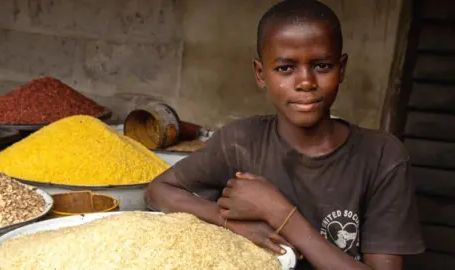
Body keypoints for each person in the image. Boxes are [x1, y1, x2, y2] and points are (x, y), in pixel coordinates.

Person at [144, 0, 425, 269]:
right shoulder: (240, 142)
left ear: (342, 69)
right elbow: (158, 191)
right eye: (285, 68)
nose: (305, 82)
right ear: (261, 73)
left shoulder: (382, 157)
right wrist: (226, 220)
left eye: (322, 65)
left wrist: (280, 214)